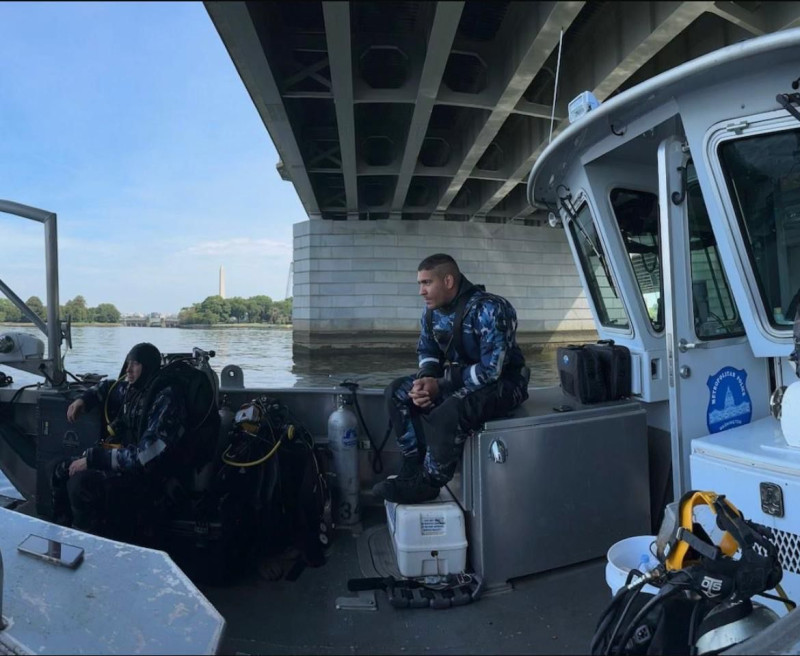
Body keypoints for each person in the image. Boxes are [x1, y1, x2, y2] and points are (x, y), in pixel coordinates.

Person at [372, 253, 530, 504]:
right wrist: (424, 381)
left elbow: (492, 371)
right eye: (420, 284)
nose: (421, 291)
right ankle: (413, 466)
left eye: (427, 283)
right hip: (459, 378)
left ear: (448, 281)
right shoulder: (430, 314)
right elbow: (427, 353)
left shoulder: (491, 308)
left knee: (450, 410)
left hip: (505, 384)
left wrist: (442, 385)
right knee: (397, 392)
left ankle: (430, 482)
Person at [51, 342, 187, 541]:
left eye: (135, 364)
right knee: (58, 469)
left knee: (82, 484)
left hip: (150, 477)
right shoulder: (133, 389)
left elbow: (146, 456)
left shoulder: (165, 398)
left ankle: (93, 545)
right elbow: (107, 387)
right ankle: (62, 536)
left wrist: (94, 459)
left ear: (148, 367)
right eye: (128, 363)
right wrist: (84, 399)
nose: (128, 370)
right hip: (126, 462)